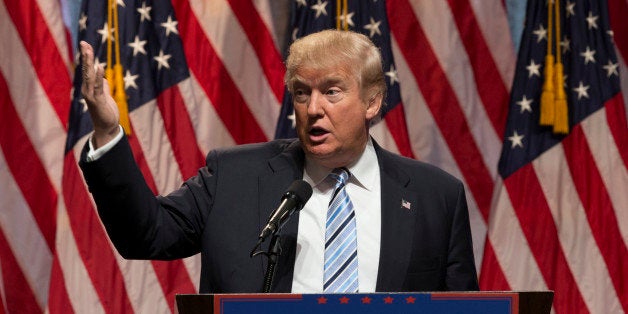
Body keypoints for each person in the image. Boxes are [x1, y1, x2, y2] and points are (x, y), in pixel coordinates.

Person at [79, 29, 478, 293]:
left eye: (332, 92)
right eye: (302, 93)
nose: (314, 108)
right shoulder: (233, 177)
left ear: (372, 101)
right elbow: (145, 234)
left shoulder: (435, 196)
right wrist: (108, 134)